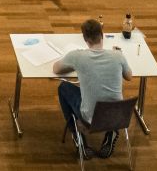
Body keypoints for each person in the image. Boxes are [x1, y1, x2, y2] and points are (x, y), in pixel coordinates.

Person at [53, 18, 133, 160]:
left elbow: (56, 69)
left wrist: (74, 63)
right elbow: (129, 76)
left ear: (85, 39)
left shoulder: (77, 56)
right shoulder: (118, 56)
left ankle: (78, 137)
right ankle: (111, 132)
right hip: (118, 116)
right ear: (102, 34)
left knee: (64, 87)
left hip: (90, 119)